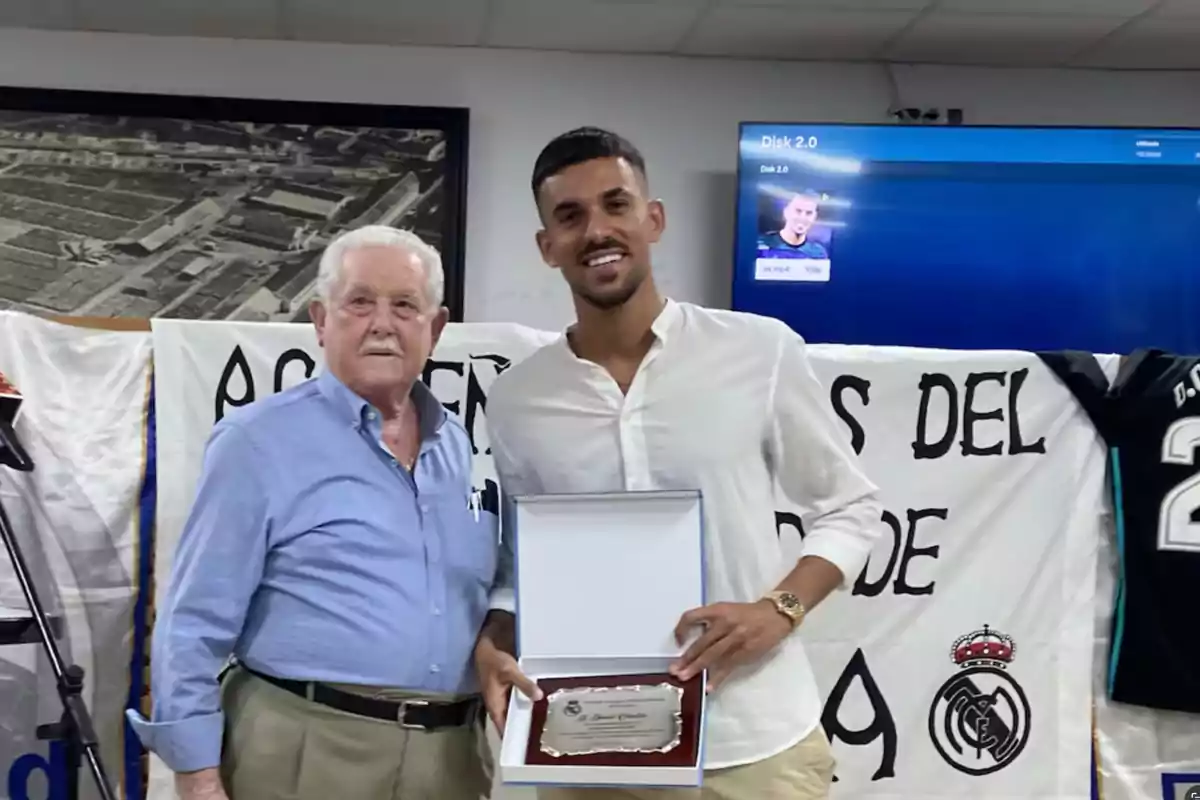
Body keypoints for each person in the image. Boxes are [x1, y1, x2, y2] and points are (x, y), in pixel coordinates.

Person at [473, 128, 883, 799]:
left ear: (653, 218)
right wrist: (496, 637)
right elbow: (526, 565)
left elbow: (850, 508)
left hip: (752, 745)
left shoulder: (760, 350)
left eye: (616, 205)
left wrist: (778, 608)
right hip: (592, 750)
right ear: (547, 247)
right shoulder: (519, 399)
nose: (597, 230)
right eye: (570, 217)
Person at [129, 225, 497, 800]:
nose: (382, 323)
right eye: (359, 302)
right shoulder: (255, 442)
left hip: (450, 759)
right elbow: (193, 622)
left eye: (405, 305)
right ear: (321, 321)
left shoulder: (468, 453)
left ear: (437, 327)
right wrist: (198, 779)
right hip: (303, 750)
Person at [756, 190, 829, 260]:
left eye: (809, 213)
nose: (802, 218)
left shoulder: (818, 253)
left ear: (815, 217)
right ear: (786, 212)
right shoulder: (762, 245)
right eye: (798, 211)